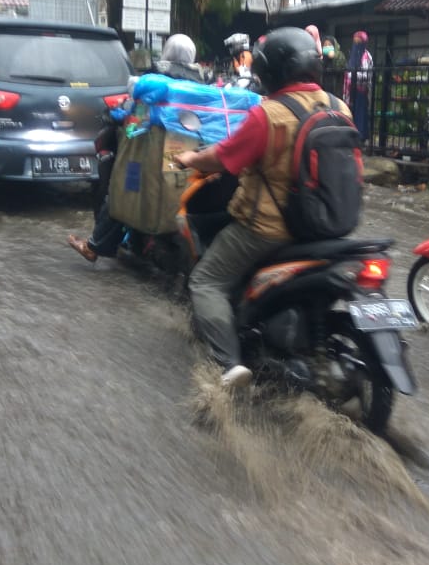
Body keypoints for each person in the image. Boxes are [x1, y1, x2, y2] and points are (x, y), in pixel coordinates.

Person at [174, 27, 347, 389]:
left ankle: (229, 364)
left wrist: (191, 157)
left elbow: (223, 157)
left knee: (206, 281)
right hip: (327, 228)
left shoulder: (267, 114)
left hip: (268, 230)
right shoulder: (339, 107)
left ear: (270, 71)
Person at [67, 33, 202, 262]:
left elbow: (133, 124)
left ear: (167, 53)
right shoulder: (201, 88)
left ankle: (94, 245)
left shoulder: (153, 86)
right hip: (188, 160)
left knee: (121, 193)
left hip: (151, 156)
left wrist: (119, 115)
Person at [343, 30, 373, 140]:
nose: (356, 43)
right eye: (354, 40)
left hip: (361, 90)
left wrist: (353, 75)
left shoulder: (366, 56)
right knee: (351, 113)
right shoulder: (353, 55)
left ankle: (360, 137)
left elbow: (367, 75)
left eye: (358, 41)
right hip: (351, 90)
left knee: (360, 114)